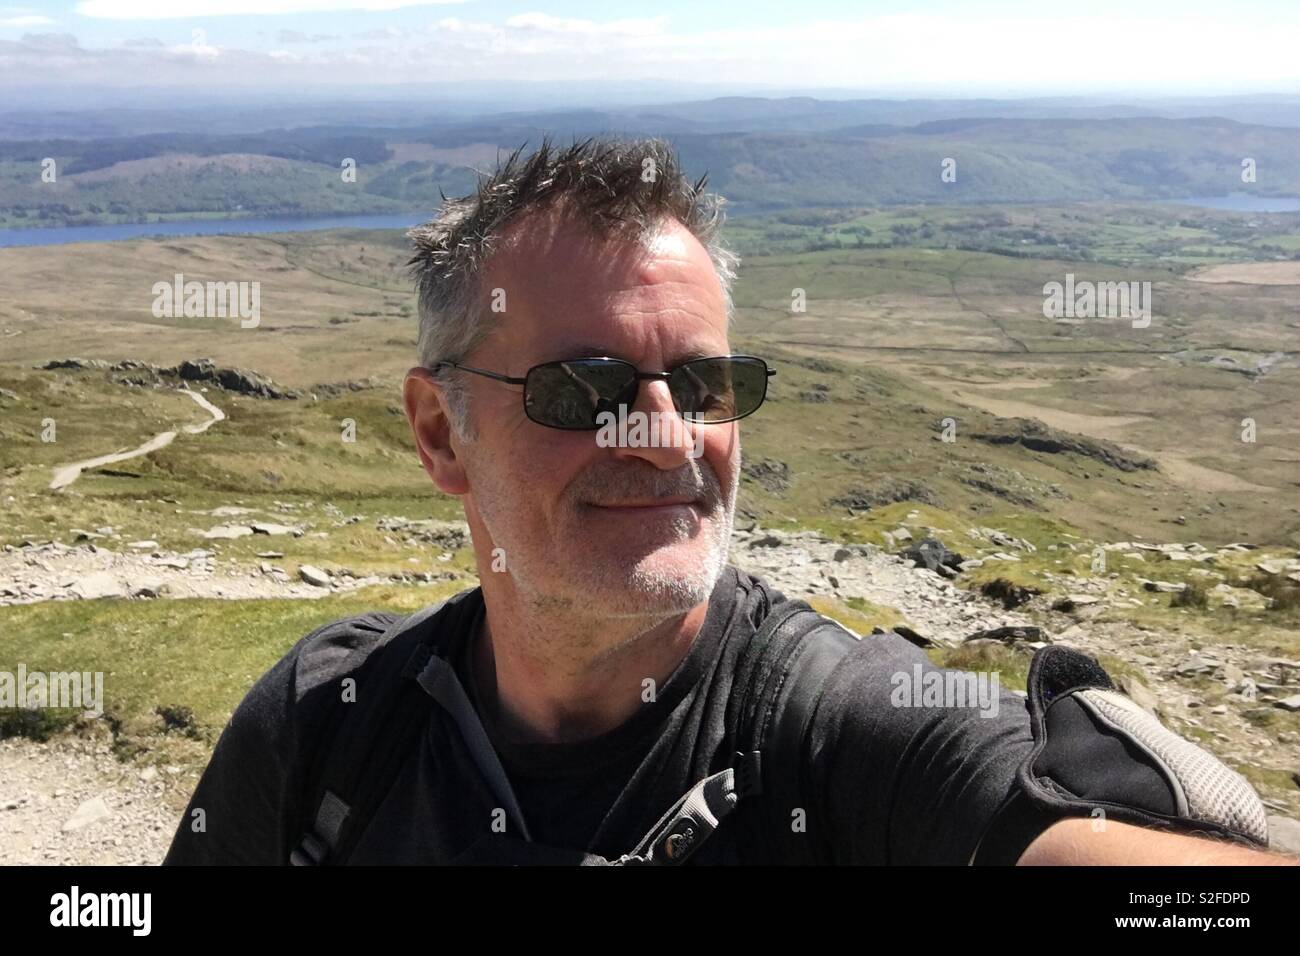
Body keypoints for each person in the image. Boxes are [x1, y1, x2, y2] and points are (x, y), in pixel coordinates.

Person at [164, 137, 1292, 866]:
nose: (663, 436)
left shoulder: (837, 728)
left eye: (704, 383)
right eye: (584, 387)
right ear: (437, 431)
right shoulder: (334, 722)